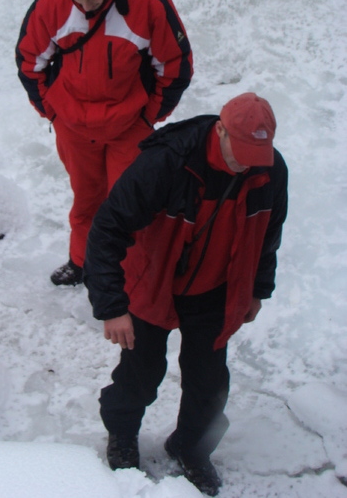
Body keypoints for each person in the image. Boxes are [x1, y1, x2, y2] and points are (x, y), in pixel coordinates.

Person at [83, 93, 288, 496]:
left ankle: (192, 448)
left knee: (210, 383)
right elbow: (106, 229)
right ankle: (122, 436)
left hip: (216, 290)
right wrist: (112, 307)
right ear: (221, 130)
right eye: (240, 151)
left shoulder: (270, 169)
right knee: (139, 377)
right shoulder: (167, 161)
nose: (245, 163)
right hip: (152, 285)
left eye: (256, 153)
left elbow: (268, 233)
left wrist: (258, 289)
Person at [16, 0, 193, 286]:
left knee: (130, 203)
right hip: (74, 127)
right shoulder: (51, 2)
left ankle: (129, 276)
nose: (84, 7)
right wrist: (52, 113)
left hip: (129, 125)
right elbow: (29, 62)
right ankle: (83, 262)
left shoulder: (146, 0)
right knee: (87, 199)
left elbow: (176, 66)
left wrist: (147, 117)